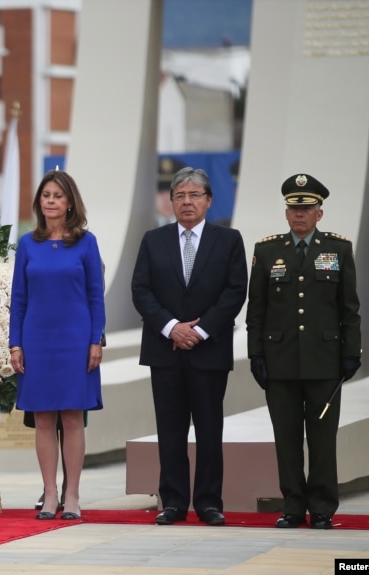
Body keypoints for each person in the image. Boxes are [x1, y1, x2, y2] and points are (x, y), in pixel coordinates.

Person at [131, 166, 247, 527]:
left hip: (208, 351)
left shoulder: (228, 240)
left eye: (194, 195)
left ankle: (209, 502)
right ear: (171, 202)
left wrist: (202, 331)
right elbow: (141, 290)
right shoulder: (153, 240)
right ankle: (174, 502)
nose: (186, 202)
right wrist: (171, 327)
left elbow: (235, 291)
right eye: (180, 195)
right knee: (170, 430)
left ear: (208, 201)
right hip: (165, 351)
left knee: (210, 430)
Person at [246, 173, 361, 530]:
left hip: (324, 361)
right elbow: (256, 311)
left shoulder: (338, 249)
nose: (299, 215)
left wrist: (351, 352)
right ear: (286, 213)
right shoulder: (267, 251)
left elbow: (349, 308)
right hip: (279, 361)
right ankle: (293, 506)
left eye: (307, 209)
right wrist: (256, 355)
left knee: (323, 438)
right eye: (294, 209)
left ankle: (323, 507)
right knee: (287, 437)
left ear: (319, 214)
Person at [9, 170, 105, 521]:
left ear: (69, 204)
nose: (50, 201)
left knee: (73, 417)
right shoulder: (27, 243)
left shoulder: (86, 242)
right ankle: (50, 494)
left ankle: (73, 494)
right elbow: (18, 298)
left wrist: (96, 340)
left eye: (57, 196)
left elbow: (96, 295)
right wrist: (15, 344)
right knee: (44, 418)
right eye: (45, 195)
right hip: (37, 340)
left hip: (76, 341)